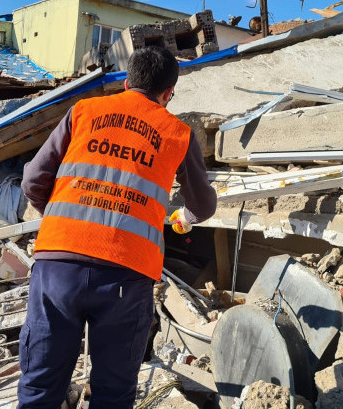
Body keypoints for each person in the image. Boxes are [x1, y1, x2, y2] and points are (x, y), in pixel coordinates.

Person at [17, 46, 217, 408]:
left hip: (58, 266)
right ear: (169, 93)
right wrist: (184, 218)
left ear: (126, 83)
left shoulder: (84, 111)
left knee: (40, 386)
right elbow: (203, 206)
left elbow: (32, 180)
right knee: (113, 393)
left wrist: (65, 216)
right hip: (127, 276)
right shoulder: (177, 133)